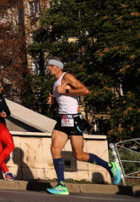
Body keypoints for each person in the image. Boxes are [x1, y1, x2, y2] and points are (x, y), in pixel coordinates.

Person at [45, 58, 121, 196]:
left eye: (50, 66)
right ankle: (61, 185)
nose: (48, 68)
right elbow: (64, 99)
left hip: (73, 120)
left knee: (78, 155)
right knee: (55, 149)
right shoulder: (55, 82)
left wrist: (66, 90)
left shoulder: (66, 76)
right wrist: (53, 100)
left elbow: (85, 90)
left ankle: (110, 166)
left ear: (56, 67)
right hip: (62, 119)